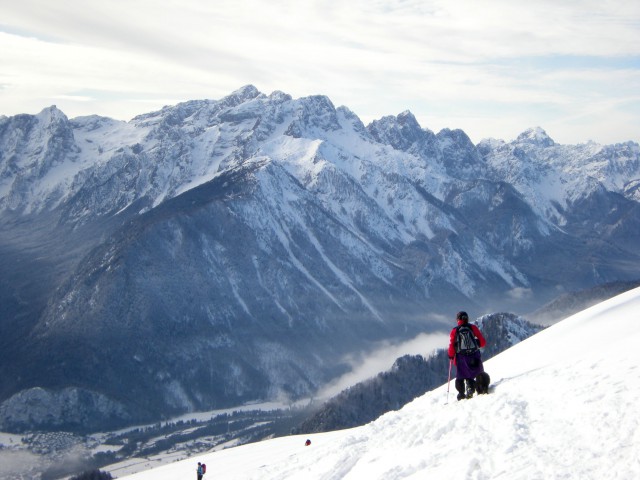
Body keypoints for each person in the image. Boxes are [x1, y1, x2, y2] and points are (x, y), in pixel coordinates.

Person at [448, 311, 487, 400]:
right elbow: (483, 342)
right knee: (478, 372)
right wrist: (477, 344)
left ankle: (462, 394)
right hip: (474, 355)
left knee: (461, 376)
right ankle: (480, 387)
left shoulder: (455, 330)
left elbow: (452, 345)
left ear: (458, 320)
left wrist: (451, 355)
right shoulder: (472, 327)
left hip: (461, 358)